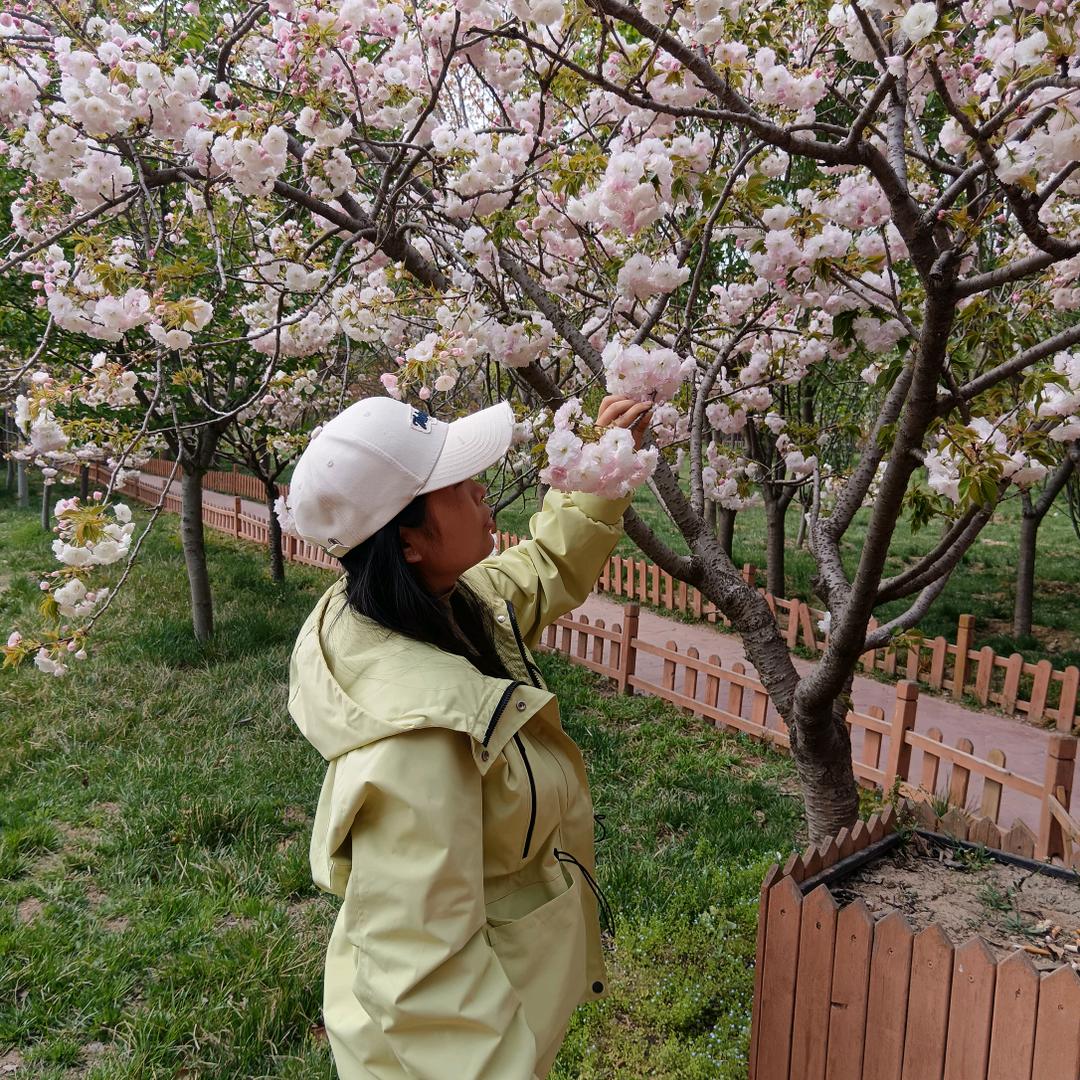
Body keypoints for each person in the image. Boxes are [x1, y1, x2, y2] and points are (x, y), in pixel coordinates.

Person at [287, 393, 651, 1080]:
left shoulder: (437, 604)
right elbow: (424, 975)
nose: (482, 489)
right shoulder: (418, 740)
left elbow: (542, 567)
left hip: (505, 1003)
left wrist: (601, 472)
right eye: (456, 486)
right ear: (407, 539)